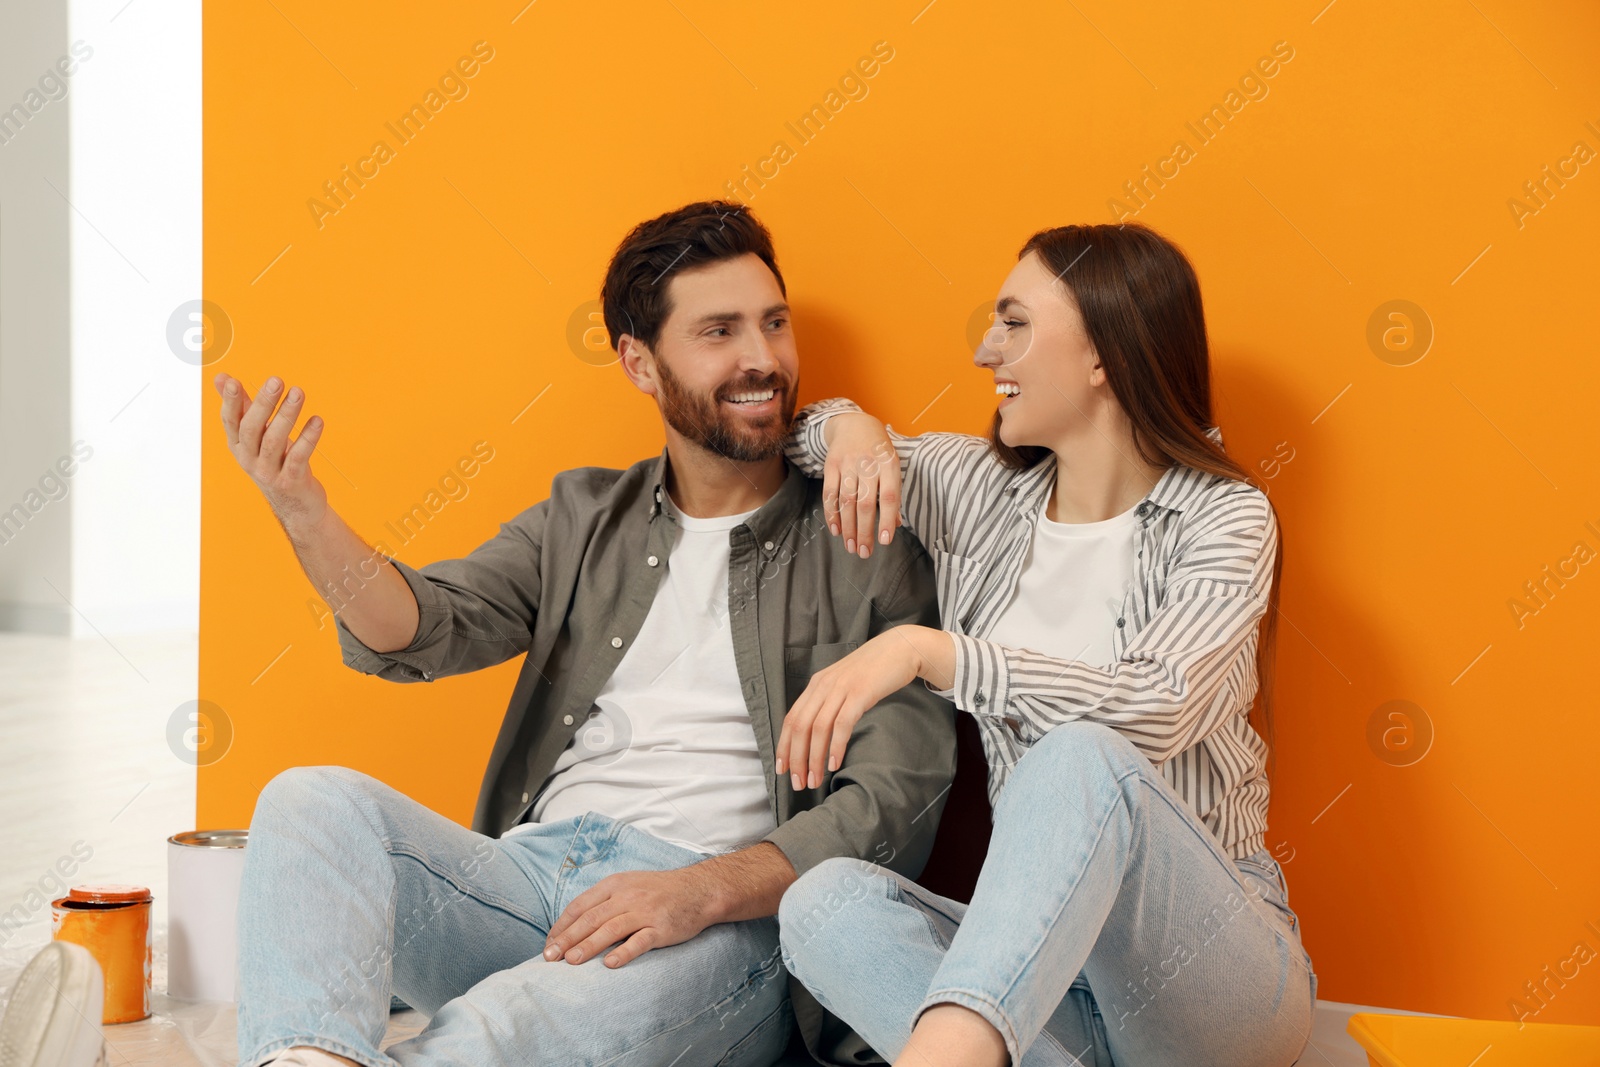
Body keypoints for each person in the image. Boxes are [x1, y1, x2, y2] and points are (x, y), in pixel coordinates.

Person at [215, 201, 956, 1067]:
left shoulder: (862, 535)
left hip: (720, 923)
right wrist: (306, 514)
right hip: (526, 883)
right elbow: (421, 626)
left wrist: (701, 889)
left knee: (504, 1032)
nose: (762, 358)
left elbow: (901, 793)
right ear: (639, 362)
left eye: (774, 323)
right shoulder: (582, 515)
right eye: (719, 331)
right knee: (310, 799)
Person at [773, 222, 1318, 1067]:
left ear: (1103, 350)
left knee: (1077, 756)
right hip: (1047, 985)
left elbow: (1159, 705)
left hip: (1214, 983)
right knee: (820, 901)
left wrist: (929, 652)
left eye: (1015, 322)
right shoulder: (979, 489)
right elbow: (800, 435)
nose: (988, 350)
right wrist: (854, 430)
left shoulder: (1225, 516)